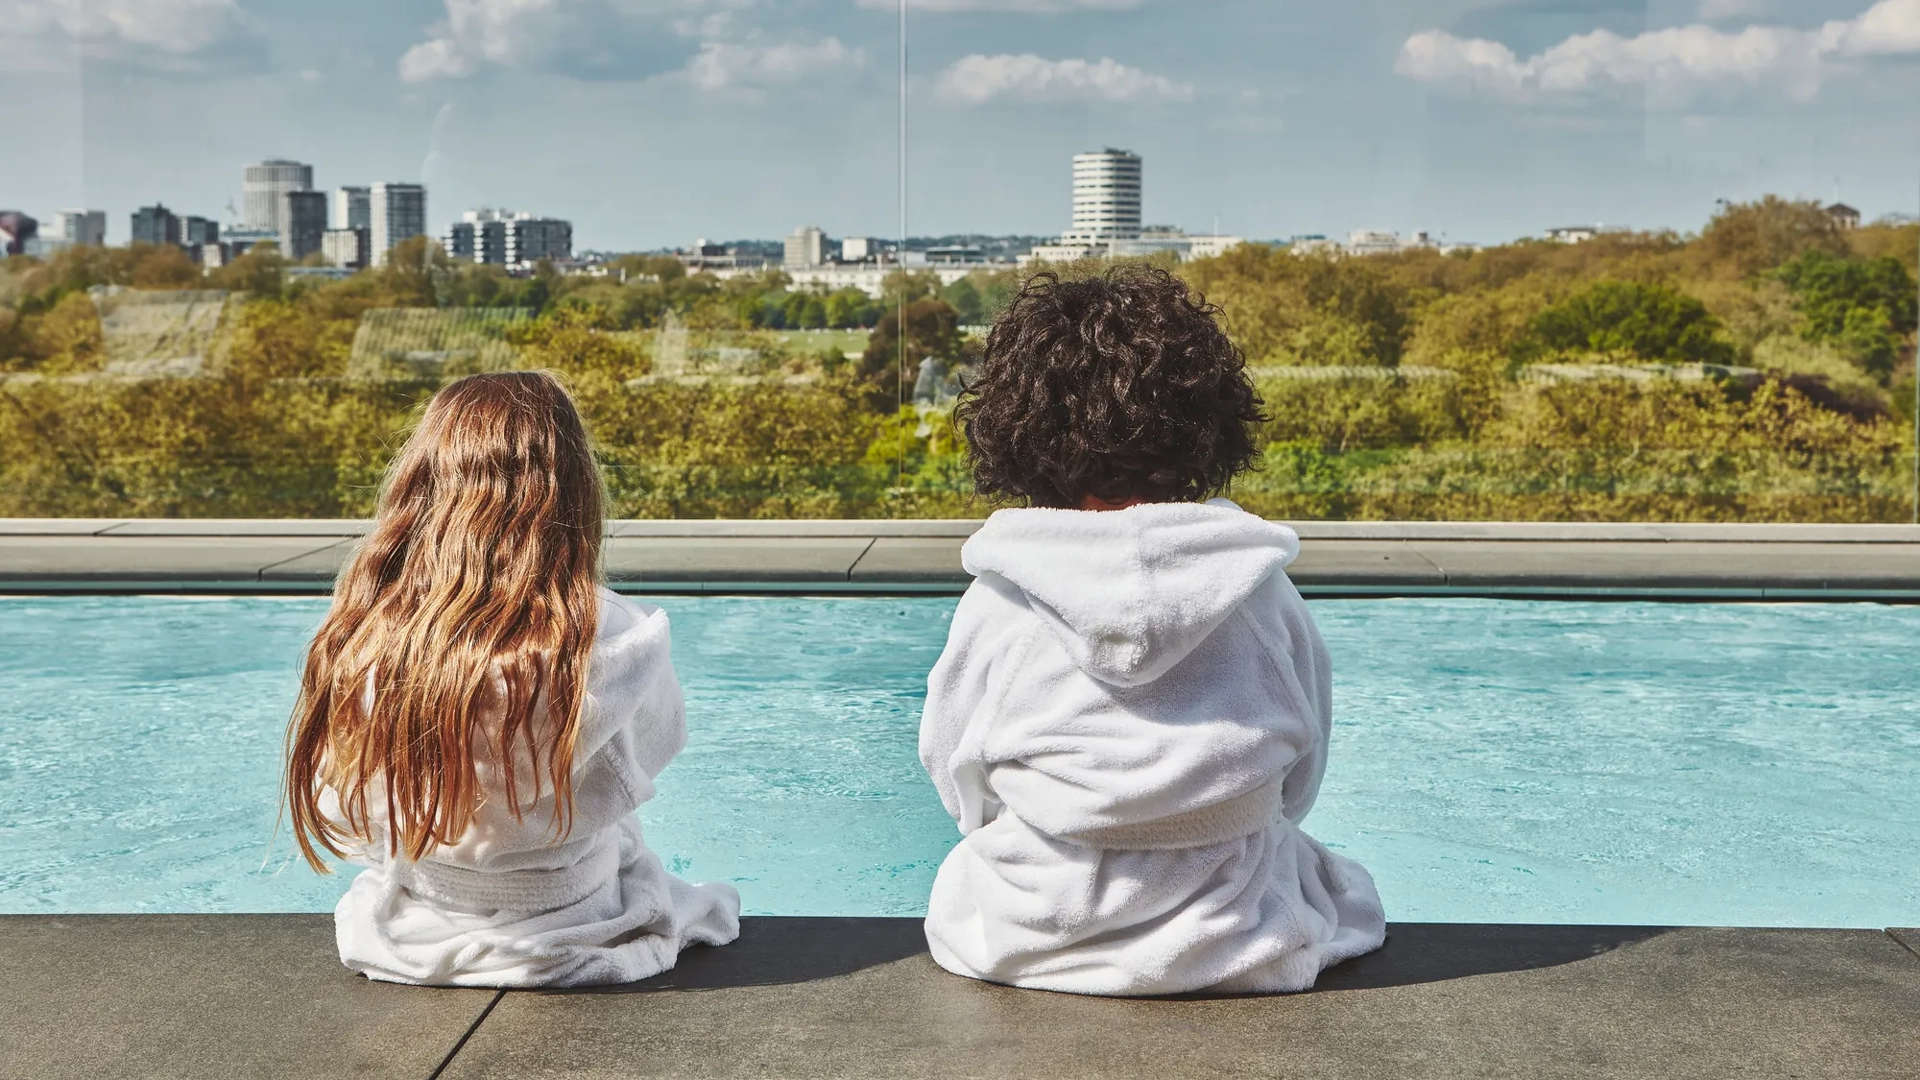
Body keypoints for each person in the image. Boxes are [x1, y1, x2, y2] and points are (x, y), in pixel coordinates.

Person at [918, 266, 1386, 996]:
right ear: (1207, 423)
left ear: (1019, 426)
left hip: (1037, 928)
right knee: (1328, 870)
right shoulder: (1259, 591)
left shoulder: (1002, 598)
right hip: (1236, 931)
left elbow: (957, 780)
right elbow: (1300, 776)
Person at [283, 371, 738, 988]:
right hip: (570, 908)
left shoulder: (368, 634)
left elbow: (348, 802)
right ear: (572, 489)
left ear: (425, 482)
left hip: (425, 913)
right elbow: (656, 751)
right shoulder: (615, 635)